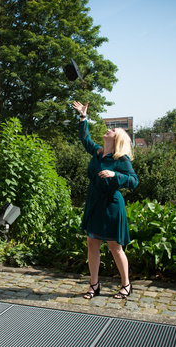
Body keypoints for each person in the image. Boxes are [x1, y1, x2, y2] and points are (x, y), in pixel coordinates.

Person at [72, 101, 139, 300]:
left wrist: (114, 175)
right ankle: (94, 285)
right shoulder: (99, 152)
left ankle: (126, 285)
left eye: (113, 129)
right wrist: (83, 117)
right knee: (92, 243)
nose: (109, 129)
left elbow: (134, 181)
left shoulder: (121, 159)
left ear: (117, 138)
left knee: (114, 247)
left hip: (111, 205)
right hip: (94, 203)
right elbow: (85, 139)